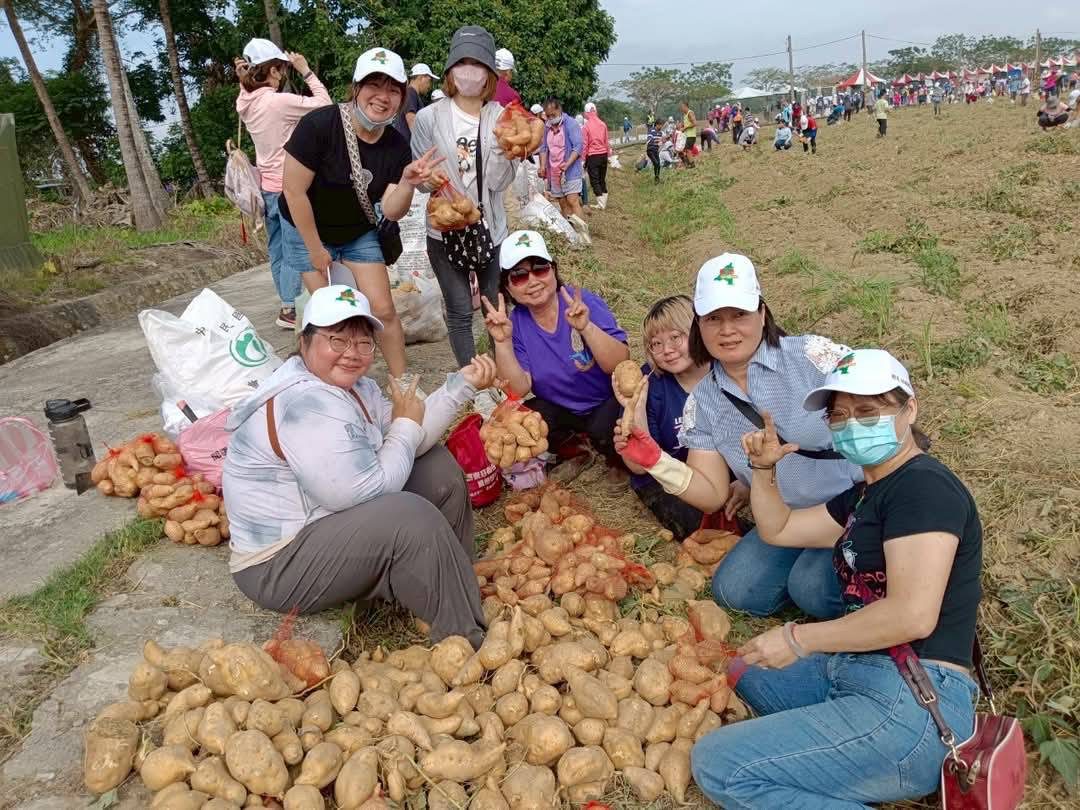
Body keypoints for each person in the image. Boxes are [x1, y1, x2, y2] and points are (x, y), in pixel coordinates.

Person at [691, 349, 983, 809]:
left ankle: (867, 756)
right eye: (840, 415)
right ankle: (841, 755)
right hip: (855, 669)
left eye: (868, 411)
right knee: (745, 670)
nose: (851, 425)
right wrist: (764, 470)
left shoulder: (924, 488)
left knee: (719, 764)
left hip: (912, 697)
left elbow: (912, 615)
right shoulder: (869, 494)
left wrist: (800, 638)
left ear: (910, 409)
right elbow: (780, 529)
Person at [223, 284, 500, 647]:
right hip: (279, 565)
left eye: (363, 342)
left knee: (436, 469)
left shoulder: (356, 388)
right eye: (337, 340)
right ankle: (463, 637)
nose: (351, 354)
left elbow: (413, 431)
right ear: (304, 341)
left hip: (326, 529)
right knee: (407, 515)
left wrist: (460, 386)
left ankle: (456, 580)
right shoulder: (304, 403)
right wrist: (403, 426)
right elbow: (361, 491)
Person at [617, 254, 860, 619]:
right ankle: (816, 566)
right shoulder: (704, 400)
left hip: (847, 504)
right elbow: (712, 495)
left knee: (812, 588)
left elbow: (886, 396)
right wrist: (655, 459)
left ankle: (839, 573)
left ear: (762, 314)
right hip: (780, 515)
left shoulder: (812, 357)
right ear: (699, 325)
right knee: (733, 591)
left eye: (739, 315)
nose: (727, 329)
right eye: (714, 318)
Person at [281, 47, 441, 379]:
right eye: (374, 85)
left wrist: (408, 183)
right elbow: (293, 191)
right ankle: (332, 385)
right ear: (356, 87)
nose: (383, 97)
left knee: (382, 308)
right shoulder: (320, 125)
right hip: (306, 229)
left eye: (393, 89)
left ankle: (402, 383)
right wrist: (314, 249)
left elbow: (393, 212)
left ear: (402, 95)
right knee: (335, 316)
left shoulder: (397, 146)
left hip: (356, 231)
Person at [411, 25, 518, 375]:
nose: (469, 71)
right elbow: (423, 182)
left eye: (477, 64)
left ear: (489, 74)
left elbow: (501, 183)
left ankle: (502, 373)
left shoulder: (500, 118)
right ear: (450, 71)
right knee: (458, 309)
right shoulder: (429, 117)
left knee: (492, 307)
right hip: (444, 231)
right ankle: (473, 381)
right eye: (462, 62)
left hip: (490, 228)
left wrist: (505, 154)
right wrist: (427, 179)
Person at [482, 230, 629, 461]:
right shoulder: (516, 324)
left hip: (605, 401)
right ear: (508, 288)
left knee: (605, 431)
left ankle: (606, 451)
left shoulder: (581, 302)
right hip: (562, 409)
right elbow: (517, 390)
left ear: (554, 271)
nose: (532, 281)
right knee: (525, 417)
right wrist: (502, 343)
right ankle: (578, 449)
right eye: (519, 276)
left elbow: (620, 363)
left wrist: (586, 327)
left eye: (540, 269)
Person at [620, 296, 747, 539]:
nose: (667, 351)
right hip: (669, 474)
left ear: (699, 331)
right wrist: (635, 410)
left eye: (676, 337)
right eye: (656, 344)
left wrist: (748, 481)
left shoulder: (731, 368)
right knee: (697, 525)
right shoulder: (649, 384)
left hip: (724, 467)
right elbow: (639, 467)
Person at [235, 39, 331, 330]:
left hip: (266, 187)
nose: (284, 74)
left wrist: (244, 79)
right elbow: (325, 106)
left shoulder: (245, 103)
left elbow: (246, 90)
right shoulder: (278, 102)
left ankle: (287, 303)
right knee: (296, 248)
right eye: (282, 69)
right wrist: (306, 71)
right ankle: (291, 310)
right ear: (274, 71)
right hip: (289, 187)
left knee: (277, 249)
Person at [539, 97, 590, 243]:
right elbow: (543, 148)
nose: (550, 118)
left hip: (571, 170)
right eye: (547, 116)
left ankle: (583, 235)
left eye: (553, 115)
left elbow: (578, 147)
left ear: (559, 111)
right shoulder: (547, 127)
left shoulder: (571, 124)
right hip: (555, 171)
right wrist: (542, 166)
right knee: (562, 202)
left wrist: (567, 164)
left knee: (572, 200)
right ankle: (571, 234)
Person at [394, 63, 438, 142]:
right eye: (429, 81)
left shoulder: (411, 94)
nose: (430, 86)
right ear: (422, 78)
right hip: (407, 148)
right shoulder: (410, 93)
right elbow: (412, 121)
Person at [582, 102, 611, 210]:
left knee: (594, 180)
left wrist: (583, 159)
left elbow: (585, 144)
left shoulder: (586, 126)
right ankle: (603, 201)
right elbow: (606, 141)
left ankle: (601, 204)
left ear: (587, 112)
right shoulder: (603, 124)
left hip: (593, 156)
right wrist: (608, 155)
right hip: (603, 154)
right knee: (602, 179)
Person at [679, 101, 698, 166]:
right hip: (687, 135)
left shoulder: (690, 113)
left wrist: (685, 128)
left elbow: (695, 123)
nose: (681, 109)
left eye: (682, 107)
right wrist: (682, 128)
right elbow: (685, 124)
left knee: (688, 149)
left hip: (691, 135)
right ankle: (689, 163)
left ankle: (692, 164)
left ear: (685, 106)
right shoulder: (685, 115)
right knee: (685, 150)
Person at [645, 119, 663, 183]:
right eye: (660, 125)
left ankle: (657, 177)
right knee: (656, 163)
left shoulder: (660, 133)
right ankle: (656, 178)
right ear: (657, 125)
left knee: (659, 165)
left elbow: (660, 143)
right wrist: (655, 141)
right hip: (650, 150)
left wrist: (660, 143)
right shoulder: (651, 130)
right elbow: (649, 139)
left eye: (662, 125)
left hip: (656, 150)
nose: (661, 127)